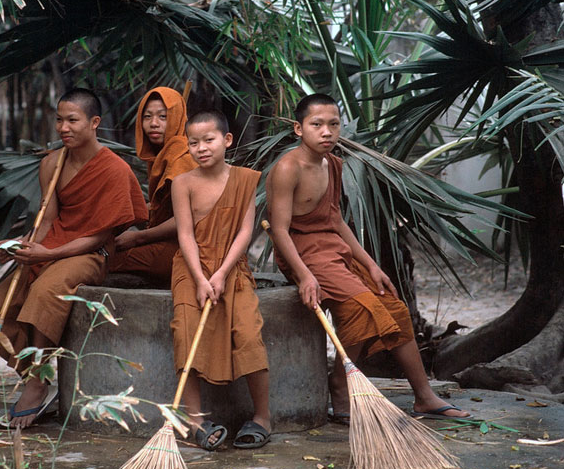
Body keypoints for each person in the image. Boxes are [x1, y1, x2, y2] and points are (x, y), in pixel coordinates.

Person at [265, 93, 470, 422]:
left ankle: (424, 396)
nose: (327, 132)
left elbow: (335, 221)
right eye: (316, 124)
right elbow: (279, 229)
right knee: (364, 307)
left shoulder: (333, 163)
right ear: (298, 128)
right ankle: (340, 384)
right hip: (301, 251)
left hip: (333, 248)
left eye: (333, 124)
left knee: (394, 306)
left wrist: (371, 265)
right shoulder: (288, 168)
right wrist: (304, 275)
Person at [0, 88, 148, 428]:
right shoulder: (52, 163)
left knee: (46, 291)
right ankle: (32, 372)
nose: (63, 127)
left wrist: (51, 254)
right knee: (1, 303)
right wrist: (19, 246)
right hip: (54, 244)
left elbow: (103, 236)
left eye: (72, 120)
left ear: (94, 123)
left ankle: (37, 383)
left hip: (90, 252)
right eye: (59, 119)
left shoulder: (114, 169)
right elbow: (46, 221)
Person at [170, 109, 271, 450]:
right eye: (193, 143)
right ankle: (195, 419)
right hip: (190, 266)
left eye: (209, 140)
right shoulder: (182, 183)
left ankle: (262, 416)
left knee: (248, 332)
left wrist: (222, 272)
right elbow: (185, 235)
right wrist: (200, 278)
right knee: (186, 331)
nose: (201, 148)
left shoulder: (245, 179)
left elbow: (245, 232)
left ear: (227, 140)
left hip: (233, 265)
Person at [109, 87, 197, 283]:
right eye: (147, 117)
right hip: (166, 243)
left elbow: (188, 217)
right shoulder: (163, 155)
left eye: (163, 117)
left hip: (185, 250)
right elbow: (161, 207)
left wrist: (139, 237)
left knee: (103, 260)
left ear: (176, 118)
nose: (153, 124)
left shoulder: (182, 157)